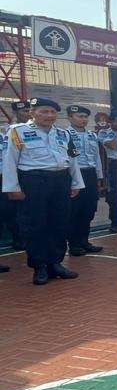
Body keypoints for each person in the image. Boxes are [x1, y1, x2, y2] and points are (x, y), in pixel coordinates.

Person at [2, 98, 83, 285]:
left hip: (60, 180)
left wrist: (76, 183)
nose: (49, 116)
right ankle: (39, 267)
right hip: (33, 182)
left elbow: (72, 160)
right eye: (44, 112)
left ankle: (55, 263)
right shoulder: (18, 132)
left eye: (52, 112)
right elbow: (9, 161)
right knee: (34, 225)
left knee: (60, 222)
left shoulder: (63, 133)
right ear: (32, 112)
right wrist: (12, 188)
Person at [66, 105, 105, 256]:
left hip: (90, 174)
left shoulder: (91, 135)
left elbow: (97, 158)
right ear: (70, 117)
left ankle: (84, 241)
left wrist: (99, 176)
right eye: (79, 116)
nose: (83, 119)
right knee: (75, 210)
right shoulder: (65, 134)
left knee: (89, 209)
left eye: (84, 117)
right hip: (75, 175)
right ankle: (74, 244)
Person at [1, 100, 31, 252]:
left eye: (28, 110)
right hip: (10, 173)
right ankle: (17, 238)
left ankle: (26, 238)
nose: (27, 114)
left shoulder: (39, 130)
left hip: (27, 174)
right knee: (10, 209)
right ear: (15, 113)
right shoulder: (7, 130)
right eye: (23, 111)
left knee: (27, 207)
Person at [100, 110, 117, 231]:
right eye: (115, 121)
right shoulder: (104, 132)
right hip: (114, 164)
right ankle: (116, 223)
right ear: (110, 122)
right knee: (114, 195)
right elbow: (114, 146)